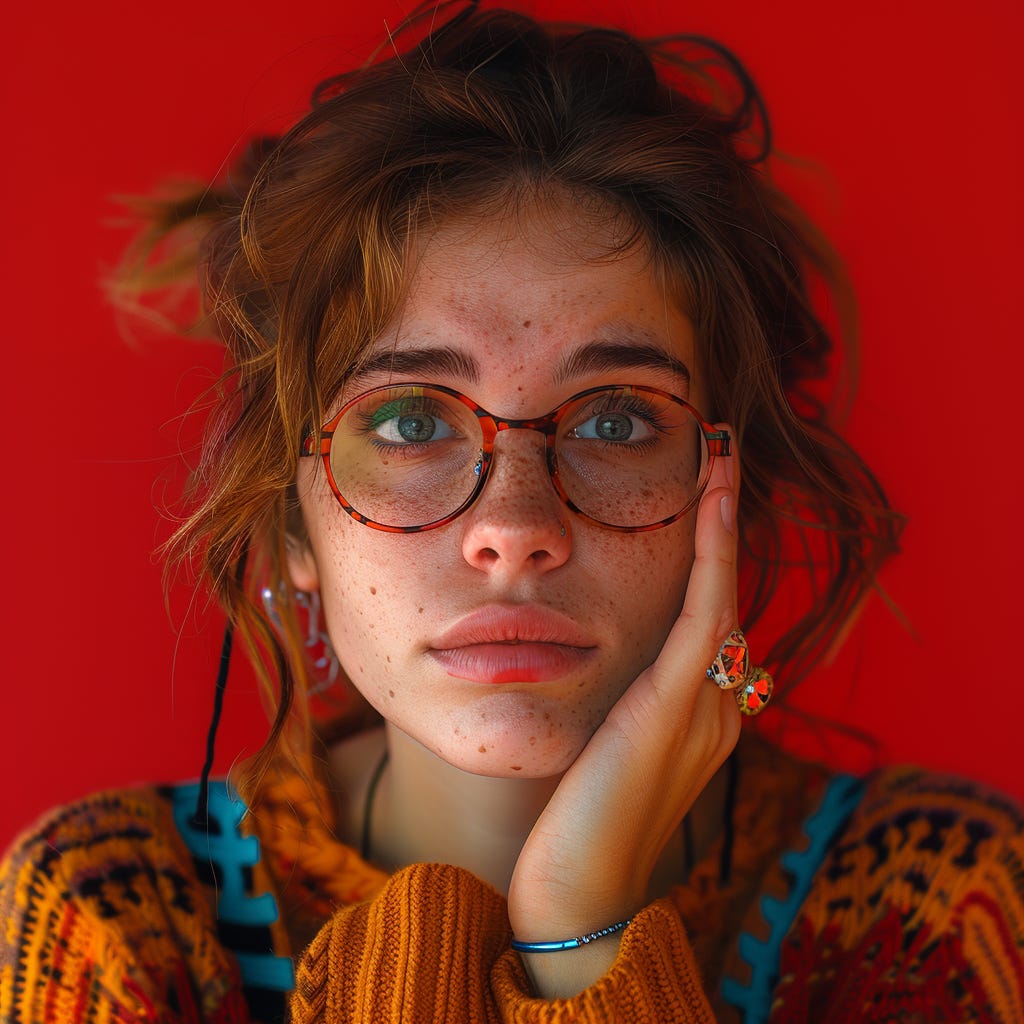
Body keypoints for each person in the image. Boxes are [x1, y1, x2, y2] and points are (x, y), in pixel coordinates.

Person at [2, 3, 1022, 1021]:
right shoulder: (117, 920)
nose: (516, 526)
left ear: (734, 494)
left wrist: (585, 926)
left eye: (618, 420)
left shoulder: (930, 903)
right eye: (407, 421)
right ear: (289, 518)